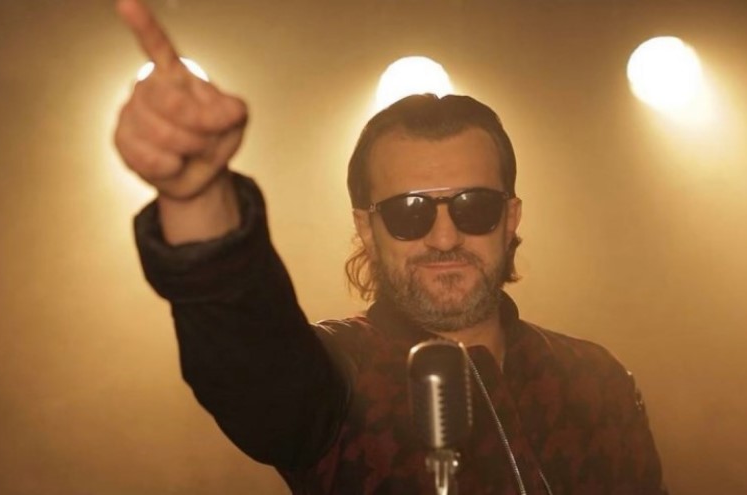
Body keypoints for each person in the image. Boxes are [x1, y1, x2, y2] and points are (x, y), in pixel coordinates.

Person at [114, 0, 668, 493]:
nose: (445, 236)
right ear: (366, 228)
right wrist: (198, 195)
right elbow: (248, 353)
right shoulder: (337, 377)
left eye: (474, 206)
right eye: (409, 212)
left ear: (511, 217)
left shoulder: (595, 380)